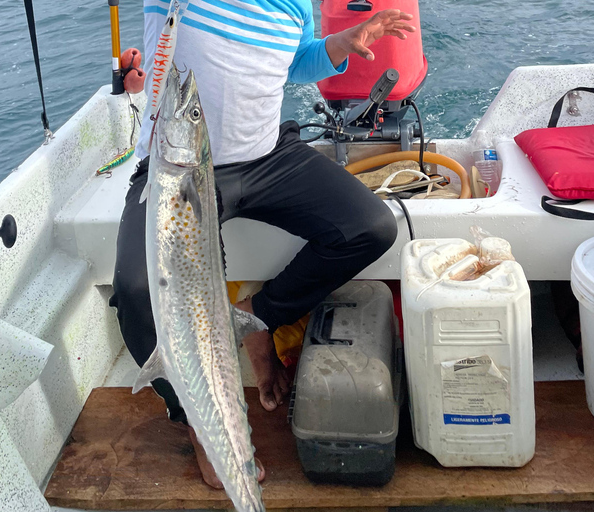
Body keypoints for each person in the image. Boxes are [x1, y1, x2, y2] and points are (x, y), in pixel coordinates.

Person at [110, 0, 415, 489]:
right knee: (136, 288)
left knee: (370, 227)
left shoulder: (292, 3)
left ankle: (258, 319)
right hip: (179, 169)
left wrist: (339, 44)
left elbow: (296, 61)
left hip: (266, 156)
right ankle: (198, 422)